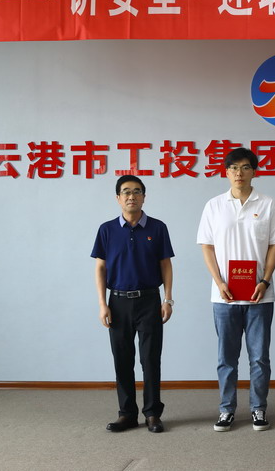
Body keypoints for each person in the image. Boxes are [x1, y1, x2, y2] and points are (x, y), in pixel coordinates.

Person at [197, 148, 275, 432]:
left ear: (254, 172)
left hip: (260, 295)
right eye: (234, 168)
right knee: (227, 358)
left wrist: (265, 280)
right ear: (226, 172)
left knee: (259, 357)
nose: (239, 173)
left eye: (245, 167)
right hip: (224, 297)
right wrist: (219, 282)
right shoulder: (214, 206)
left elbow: (274, 246)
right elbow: (207, 247)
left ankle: (259, 408)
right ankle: (227, 410)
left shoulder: (269, 204)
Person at [92, 174, 174, 433]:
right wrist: (102, 304)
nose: (131, 196)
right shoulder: (107, 230)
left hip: (149, 300)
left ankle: (152, 413)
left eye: (137, 191)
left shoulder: (157, 228)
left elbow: (165, 264)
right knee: (122, 359)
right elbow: (100, 268)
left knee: (150, 359)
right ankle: (127, 414)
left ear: (144, 197)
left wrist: (167, 299)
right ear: (118, 198)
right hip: (117, 302)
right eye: (126, 192)